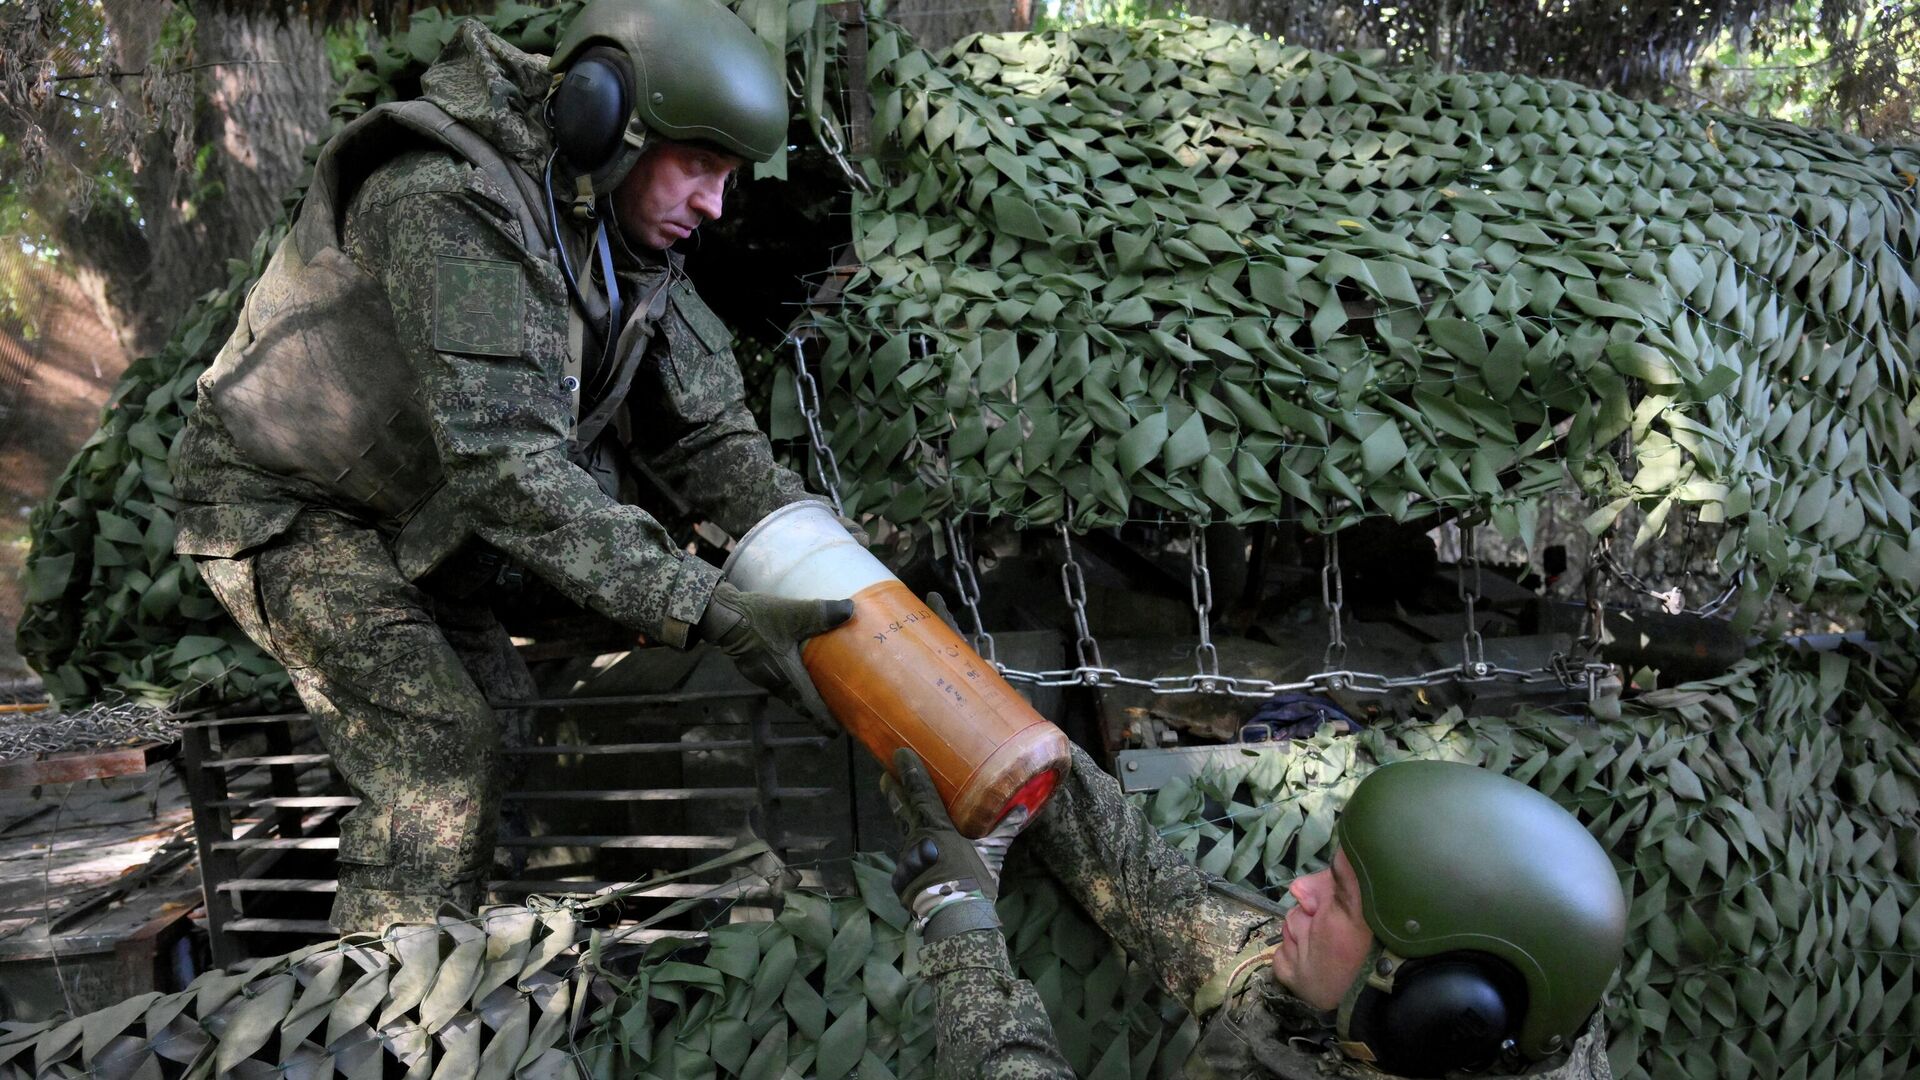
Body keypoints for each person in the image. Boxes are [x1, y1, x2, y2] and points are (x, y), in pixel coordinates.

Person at [170, 0, 853, 932]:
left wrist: (840, 569)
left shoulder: (618, 225)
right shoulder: (450, 204)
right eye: (700, 166)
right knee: (441, 747)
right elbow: (504, 463)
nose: (714, 204)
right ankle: (382, 1024)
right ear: (603, 118)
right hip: (287, 509)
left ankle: (450, 947)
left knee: (504, 714)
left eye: (729, 176)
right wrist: (703, 605)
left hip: (422, 513)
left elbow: (708, 439)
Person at [888, 744, 1626, 1079]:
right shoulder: (1373, 1024)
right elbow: (1160, 902)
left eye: (1337, 898)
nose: (1299, 893)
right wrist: (999, 738)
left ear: (1432, 1004)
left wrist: (958, 925)